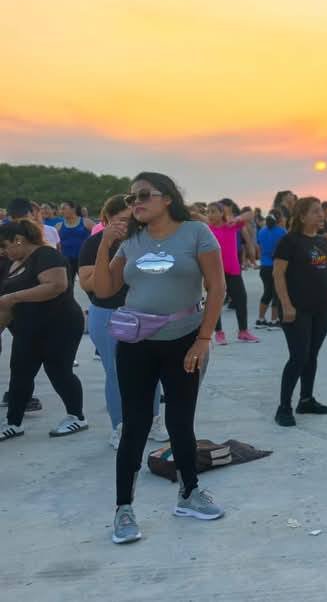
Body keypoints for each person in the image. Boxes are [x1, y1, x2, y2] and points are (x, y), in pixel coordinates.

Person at [91, 172, 226, 543]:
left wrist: (203, 340)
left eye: (143, 195)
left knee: (180, 422)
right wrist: (105, 245)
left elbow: (217, 287)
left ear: (167, 198)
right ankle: (123, 509)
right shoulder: (131, 239)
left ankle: (189, 494)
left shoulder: (196, 233)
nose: (135, 202)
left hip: (184, 340)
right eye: (131, 197)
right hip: (136, 343)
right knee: (134, 426)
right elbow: (104, 288)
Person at [79, 195, 166, 449]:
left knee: (151, 371)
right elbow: (88, 284)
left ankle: (152, 420)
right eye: (121, 220)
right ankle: (121, 426)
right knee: (117, 374)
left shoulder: (147, 239)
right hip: (109, 313)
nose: (128, 224)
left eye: (132, 218)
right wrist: (109, 249)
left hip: (144, 311)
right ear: (107, 220)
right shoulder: (94, 244)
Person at [0, 220, 86, 442]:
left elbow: (56, 286)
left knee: (58, 371)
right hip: (27, 327)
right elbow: (5, 306)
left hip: (60, 325)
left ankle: (76, 416)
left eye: (5, 245)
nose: (3, 251)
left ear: (19, 240)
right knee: (20, 372)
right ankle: (13, 423)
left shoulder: (46, 255)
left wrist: (14, 297)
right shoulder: (9, 263)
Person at [272, 197, 327, 427]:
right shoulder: (289, 241)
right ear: (302, 216)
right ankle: (284, 407)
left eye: (321, 212)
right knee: (298, 356)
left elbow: (325, 272)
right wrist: (286, 305)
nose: (321, 215)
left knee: (312, 354)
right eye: (315, 212)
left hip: (323, 308)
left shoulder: (322, 241)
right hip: (297, 309)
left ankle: (306, 400)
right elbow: (278, 274)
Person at [206, 202, 257, 344]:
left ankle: (243, 332)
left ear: (222, 213)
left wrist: (237, 219)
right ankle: (219, 333)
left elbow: (250, 214)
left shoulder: (231, 226)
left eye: (213, 211)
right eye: (208, 212)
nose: (210, 214)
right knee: (215, 302)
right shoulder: (207, 229)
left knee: (241, 299)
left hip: (233, 270)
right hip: (215, 272)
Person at [256, 212, 286, 327]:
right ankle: (274, 320)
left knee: (267, 293)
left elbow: (259, 247)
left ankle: (260, 319)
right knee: (277, 293)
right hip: (277, 266)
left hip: (264, 266)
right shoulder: (282, 232)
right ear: (279, 219)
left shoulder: (261, 231)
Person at [57, 201, 92, 280]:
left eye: (64, 208)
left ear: (73, 209)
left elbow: (98, 235)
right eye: (60, 209)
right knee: (68, 284)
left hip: (84, 258)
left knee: (87, 283)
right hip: (66, 259)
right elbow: (56, 244)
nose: (61, 211)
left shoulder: (86, 222)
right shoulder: (58, 226)